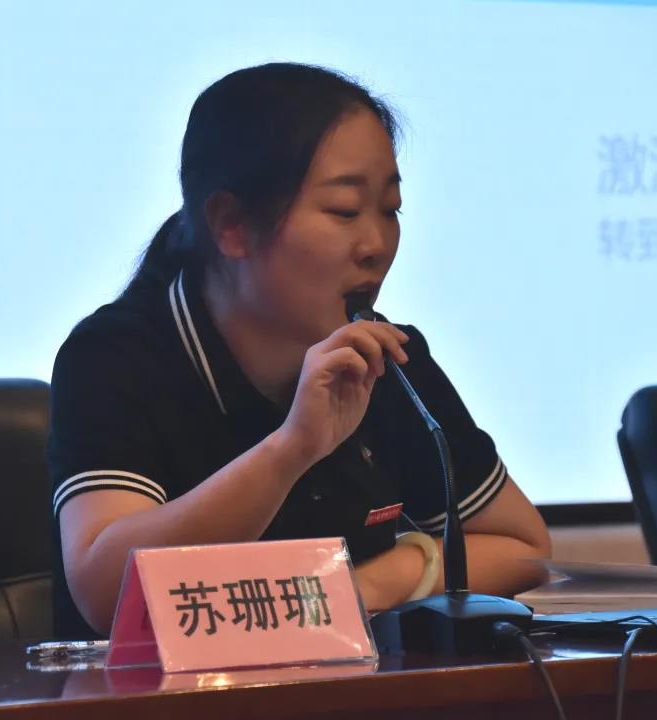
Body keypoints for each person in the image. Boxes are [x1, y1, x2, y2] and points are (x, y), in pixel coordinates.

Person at [48, 62, 551, 640]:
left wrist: (364, 587)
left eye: (390, 209)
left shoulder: (384, 358)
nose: (376, 245)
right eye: (345, 211)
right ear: (231, 225)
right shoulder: (116, 356)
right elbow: (106, 592)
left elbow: (523, 546)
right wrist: (292, 447)